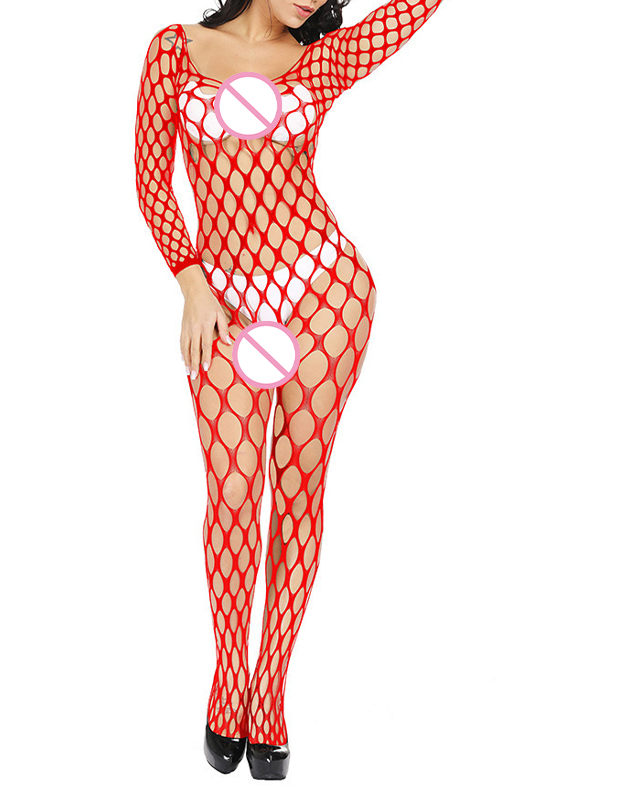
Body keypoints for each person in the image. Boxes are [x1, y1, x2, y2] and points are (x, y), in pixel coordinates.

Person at [134, 0, 446, 780]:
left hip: (323, 293)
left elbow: (416, 9)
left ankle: (268, 689)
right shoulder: (174, 51)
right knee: (234, 496)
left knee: (299, 492)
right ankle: (228, 676)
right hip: (225, 304)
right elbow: (151, 181)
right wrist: (191, 284)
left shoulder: (323, 59)